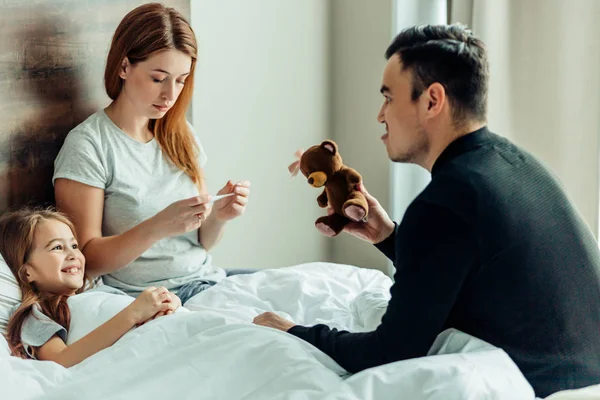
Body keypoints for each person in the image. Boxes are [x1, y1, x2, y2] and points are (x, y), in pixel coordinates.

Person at [253, 23, 600, 397]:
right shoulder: (518, 164)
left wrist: (293, 331)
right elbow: (461, 274)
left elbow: (389, 352)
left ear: (432, 100)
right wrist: (388, 236)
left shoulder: (446, 200)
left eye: (388, 97)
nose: (380, 115)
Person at [53, 3, 251, 305]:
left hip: (207, 280)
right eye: (158, 78)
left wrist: (219, 218)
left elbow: (202, 243)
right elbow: (86, 261)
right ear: (123, 67)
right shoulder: (89, 146)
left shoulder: (180, 133)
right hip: (150, 298)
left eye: (181, 80)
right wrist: (157, 226)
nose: (171, 95)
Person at [0, 208, 180, 367]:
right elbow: (60, 360)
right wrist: (133, 313)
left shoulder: (100, 292)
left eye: (74, 245)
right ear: (27, 273)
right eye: (57, 247)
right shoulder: (35, 312)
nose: (73, 254)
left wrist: (170, 303)